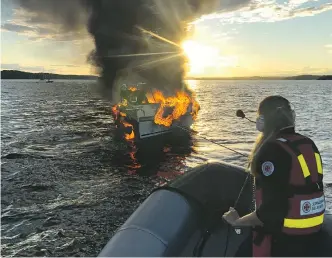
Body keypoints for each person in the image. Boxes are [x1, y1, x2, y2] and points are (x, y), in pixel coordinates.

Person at [222, 95, 325, 257]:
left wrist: (237, 221)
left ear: (262, 120)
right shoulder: (307, 143)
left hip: (282, 241)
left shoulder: (271, 151)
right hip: (313, 236)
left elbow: (270, 213)